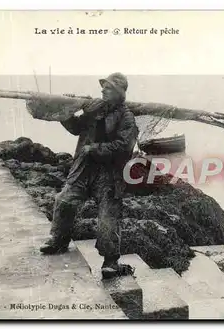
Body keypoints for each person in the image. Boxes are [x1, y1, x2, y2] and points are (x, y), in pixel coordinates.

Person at [35, 72, 139, 279]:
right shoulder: (95, 109)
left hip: (108, 174)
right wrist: (66, 111)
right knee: (64, 200)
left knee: (107, 218)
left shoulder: (127, 117)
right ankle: (59, 240)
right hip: (84, 169)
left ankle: (111, 262)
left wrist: (95, 148)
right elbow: (76, 128)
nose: (102, 90)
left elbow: (125, 147)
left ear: (118, 92)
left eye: (107, 88)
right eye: (103, 87)